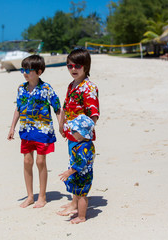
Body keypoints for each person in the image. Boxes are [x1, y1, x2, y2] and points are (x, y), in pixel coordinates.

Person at [7, 55, 61, 208]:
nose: (25, 72)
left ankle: (42, 196)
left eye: (28, 70)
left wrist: (61, 126)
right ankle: (30, 196)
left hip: (43, 130)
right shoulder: (21, 88)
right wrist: (12, 127)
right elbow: (18, 108)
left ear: (39, 72)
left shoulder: (46, 88)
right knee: (27, 161)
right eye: (23, 69)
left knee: (40, 161)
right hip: (26, 130)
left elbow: (57, 108)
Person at [57, 48, 100, 220]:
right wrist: (62, 126)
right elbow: (66, 107)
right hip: (71, 134)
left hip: (81, 138)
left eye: (77, 66)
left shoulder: (89, 87)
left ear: (86, 66)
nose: (73, 69)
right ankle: (74, 202)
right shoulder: (71, 85)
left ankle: (77, 204)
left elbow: (94, 115)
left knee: (79, 168)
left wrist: (82, 135)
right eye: (69, 66)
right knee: (73, 165)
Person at [59, 114, 95, 224]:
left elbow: (80, 163)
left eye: (74, 131)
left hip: (83, 176)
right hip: (81, 175)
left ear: (82, 133)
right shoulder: (84, 144)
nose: (72, 132)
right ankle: (80, 212)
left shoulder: (84, 147)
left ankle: (81, 217)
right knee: (79, 194)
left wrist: (68, 172)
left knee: (81, 196)